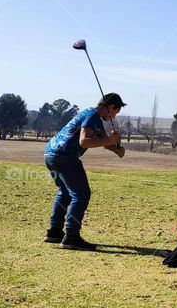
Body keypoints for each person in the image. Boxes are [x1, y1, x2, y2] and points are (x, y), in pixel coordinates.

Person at [42, 93, 126, 250]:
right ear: (111, 107)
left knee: (65, 192)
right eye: (116, 112)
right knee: (81, 194)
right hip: (65, 157)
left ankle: (54, 232)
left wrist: (116, 149)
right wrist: (110, 140)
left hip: (50, 154)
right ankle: (72, 237)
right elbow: (84, 141)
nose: (114, 117)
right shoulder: (93, 115)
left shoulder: (91, 114)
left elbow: (102, 140)